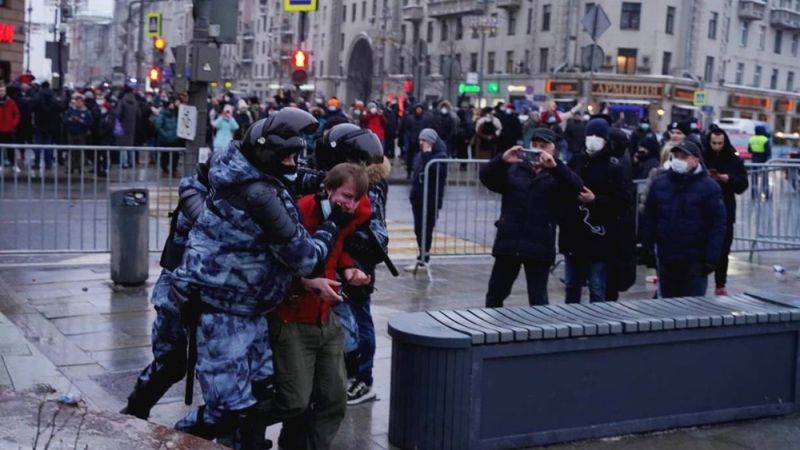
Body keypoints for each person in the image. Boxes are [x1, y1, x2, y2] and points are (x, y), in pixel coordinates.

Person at [171, 108, 351, 449]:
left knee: (261, 396)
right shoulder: (258, 194)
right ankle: (168, 441)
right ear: (268, 153)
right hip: (222, 314)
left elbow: (299, 181)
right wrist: (333, 225)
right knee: (224, 411)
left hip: (248, 309)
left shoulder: (248, 174)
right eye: (288, 155)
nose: (293, 163)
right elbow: (305, 258)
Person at [272, 163, 373, 450]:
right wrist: (305, 281)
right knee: (295, 401)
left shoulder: (341, 216)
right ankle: (240, 425)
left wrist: (350, 270)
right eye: (344, 194)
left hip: (325, 317)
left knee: (334, 397)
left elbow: (335, 250)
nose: (347, 203)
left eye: (353, 198)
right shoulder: (301, 210)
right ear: (328, 189)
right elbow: (278, 262)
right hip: (293, 318)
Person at [121, 163, 211, 420]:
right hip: (176, 293)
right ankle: (136, 409)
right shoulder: (198, 198)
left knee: (215, 369)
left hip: (212, 296)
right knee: (170, 363)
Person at [480, 128, 583, 307]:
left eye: (543, 146)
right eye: (534, 145)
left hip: (539, 243)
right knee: (496, 293)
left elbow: (575, 187)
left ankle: (538, 331)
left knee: (538, 297)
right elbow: (487, 178)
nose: (538, 150)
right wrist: (502, 160)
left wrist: (556, 167)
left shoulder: (558, 173)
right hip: (510, 241)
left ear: (553, 149)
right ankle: (491, 331)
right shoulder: (515, 169)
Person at [642, 139, 727, 298]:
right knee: (667, 306)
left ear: (696, 160)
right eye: (676, 156)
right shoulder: (660, 183)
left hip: (695, 260)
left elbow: (717, 225)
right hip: (667, 257)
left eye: (684, 157)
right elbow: (650, 217)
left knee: (691, 309)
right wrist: (647, 248)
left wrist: (711, 258)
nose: (679, 160)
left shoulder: (709, 188)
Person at [559, 118, 630, 303]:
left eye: (598, 136)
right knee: (572, 284)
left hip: (599, 237)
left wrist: (595, 200)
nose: (593, 139)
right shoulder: (576, 161)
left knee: (597, 286)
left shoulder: (614, 167)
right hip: (574, 235)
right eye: (589, 135)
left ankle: (596, 325)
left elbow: (622, 201)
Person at [703, 127, 749, 296]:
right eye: (714, 143)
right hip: (703, 210)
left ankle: (720, 284)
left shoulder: (732, 158)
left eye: (720, 143)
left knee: (723, 250)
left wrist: (727, 178)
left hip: (725, 210)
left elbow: (742, 183)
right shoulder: (702, 156)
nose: (717, 146)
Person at [406, 128, 448, 272]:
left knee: (426, 228)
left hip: (431, 199)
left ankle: (424, 258)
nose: (421, 143)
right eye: (420, 140)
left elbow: (436, 173)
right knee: (418, 228)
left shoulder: (439, 156)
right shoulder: (419, 155)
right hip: (418, 198)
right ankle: (421, 256)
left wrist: (428, 155)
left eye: (424, 140)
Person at [63, 93, 93, 173]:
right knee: (71, 151)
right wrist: (70, 120)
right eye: (76, 101)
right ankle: (71, 167)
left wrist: (80, 121)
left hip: (81, 133)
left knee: (80, 151)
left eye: (80, 102)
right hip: (71, 132)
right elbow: (65, 120)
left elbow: (89, 122)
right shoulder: (70, 111)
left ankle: (80, 167)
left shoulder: (86, 112)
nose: (78, 103)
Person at [401, 103, 432, 179]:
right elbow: (406, 129)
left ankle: (421, 172)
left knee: (423, 157)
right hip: (412, 141)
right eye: (417, 109)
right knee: (410, 157)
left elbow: (428, 129)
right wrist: (410, 137)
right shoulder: (410, 118)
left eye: (420, 109)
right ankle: (409, 172)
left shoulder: (425, 119)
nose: (418, 110)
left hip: (423, 141)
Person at [154, 98, 182, 175]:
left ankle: (174, 169)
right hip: (165, 139)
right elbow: (158, 126)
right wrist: (165, 135)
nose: (173, 105)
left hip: (175, 139)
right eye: (171, 103)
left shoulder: (174, 114)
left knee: (175, 156)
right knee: (165, 156)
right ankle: (164, 168)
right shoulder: (162, 115)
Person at [115, 86, 139, 168]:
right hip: (133, 126)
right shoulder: (135, 101)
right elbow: (138, 114)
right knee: (130, 145)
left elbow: (118, 113)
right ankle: (131, 162)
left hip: (123, 126)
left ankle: (124, 162)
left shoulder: (122, 101)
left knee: (123, 146)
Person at [0, 83, 20, 171]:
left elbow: (17, 114)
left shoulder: (10, 102)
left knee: (11, 148)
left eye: (3, 91)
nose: (2, 92)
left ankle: (13, 164)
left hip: (9, 129)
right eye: (0, 91)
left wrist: (13, 124)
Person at [748, 125, 771, 199]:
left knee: (754, 178)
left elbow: (749, 150)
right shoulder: (765, 139)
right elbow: (768, 151)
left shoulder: (751, 139)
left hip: (754, 159)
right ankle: (766, 194)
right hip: (764, 160)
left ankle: (753, 195)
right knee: (765, 178)